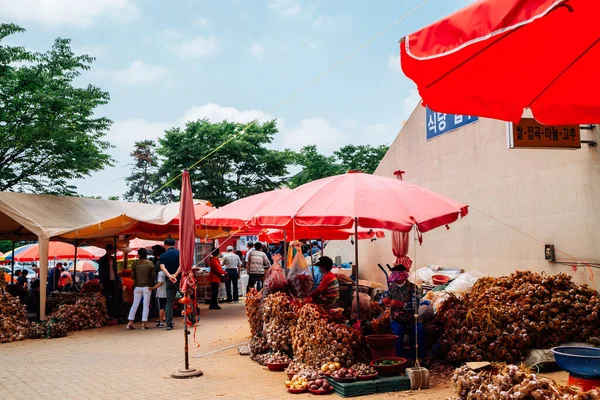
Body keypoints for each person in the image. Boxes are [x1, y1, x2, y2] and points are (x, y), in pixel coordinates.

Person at [387, 264, 426, 359]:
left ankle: (420, 357)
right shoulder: (391, 288)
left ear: (403, 277)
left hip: (412, 318)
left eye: (398, 279)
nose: (396, 281)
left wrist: (401, 305)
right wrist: (383, 301)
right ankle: (399, 358)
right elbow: (381, 299)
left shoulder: (413, 288)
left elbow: (415, 305)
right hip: (397, 319)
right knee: (397, 332)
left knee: (420, 330)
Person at [126, 248, 155, 330]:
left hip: (137, 286)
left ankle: (130, 322)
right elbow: (153, 276)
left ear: (139, 255)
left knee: (135, 304)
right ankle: (143, 324)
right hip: (147, 287)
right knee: (146, 305)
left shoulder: (135, 264)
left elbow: (132, 276)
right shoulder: (150, 263)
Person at [159, 238, 180, 330]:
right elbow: (182, 265)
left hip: (169, 281)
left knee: (169, 303)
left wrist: (170, 276)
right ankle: (191, 318)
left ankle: (168, 324)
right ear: (174, 245)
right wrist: (175, 275)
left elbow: (162, 267)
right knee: (185, 299)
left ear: (166, 245)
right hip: (179, 280)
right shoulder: (179, 253)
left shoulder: (163, 255)